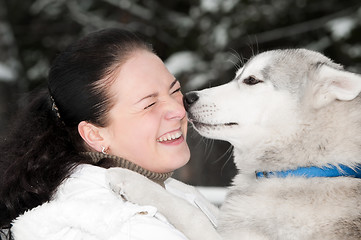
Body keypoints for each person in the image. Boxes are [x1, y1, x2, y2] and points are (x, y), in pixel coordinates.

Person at [0, 28, 218, 239]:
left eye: (175, 90)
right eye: (149, 104)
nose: (180, 110)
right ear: (95, 135)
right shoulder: (123, 227)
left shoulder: (162, 190)